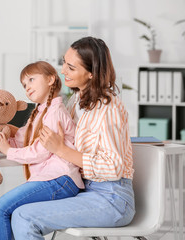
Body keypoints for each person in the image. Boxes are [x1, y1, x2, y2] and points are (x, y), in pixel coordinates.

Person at [10, 37, 135, 239]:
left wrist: (62, 150)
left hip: (111, 198)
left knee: (24, 217)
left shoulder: (109, 107)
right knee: (14, 210)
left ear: (91, 73)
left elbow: (114, 167)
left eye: (71, 67)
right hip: (84, 188)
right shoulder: (75, 102)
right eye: (63, 63)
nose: (62, 71)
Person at [0, 61, 84, 240]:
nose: (27, 87)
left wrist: (8, 150)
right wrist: (2, 137)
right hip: (53, 179)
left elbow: (41, 151)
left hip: (61, 180)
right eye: (24, 85)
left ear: (50, 79)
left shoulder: (55, 112)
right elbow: (22, 140)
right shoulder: (41, 112)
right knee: (1, 209)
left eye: (31, 80)